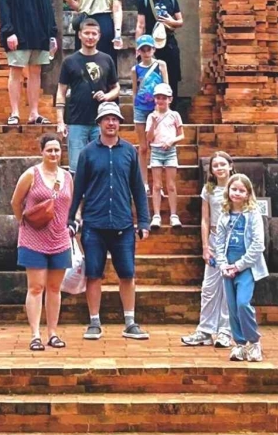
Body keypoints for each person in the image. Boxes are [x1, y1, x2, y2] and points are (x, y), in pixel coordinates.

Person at [66, 100, 151, 341]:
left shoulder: (129, 152)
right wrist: (70, 219)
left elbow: (138, 189)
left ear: (120, 123)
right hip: (94, 223)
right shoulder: (88, 153)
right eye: (107, 119)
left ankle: (130, 322)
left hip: (123, 224)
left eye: (115, 119)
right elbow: (78, 189)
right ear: (99, 123)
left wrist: (143, 221)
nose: (111, 123)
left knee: (127, 273)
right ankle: (94, 321)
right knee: (93, 274)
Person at [12, 133, 73, 351]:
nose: (53, 154)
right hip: (33, 238)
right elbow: (16, 202)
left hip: (60, 238)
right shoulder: (31, 174)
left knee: (55, 288)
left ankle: (53, 333)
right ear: (42, 152)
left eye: (57, 150)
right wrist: (23, 222)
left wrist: (70, 224)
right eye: (49, 150)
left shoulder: (67, 177)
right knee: (36, 287)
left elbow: (69, 205)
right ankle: (35, 334)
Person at [0, 0, 60, 126]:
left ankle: (34, 113)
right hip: (17, 33)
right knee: (16, 71)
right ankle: (15, 113)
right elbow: (3, 7)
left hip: (39, 32)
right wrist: (8, 32)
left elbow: (47, 6)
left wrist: (52, 34)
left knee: (36, 71)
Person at [181, 150, 235, 348]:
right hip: (214, 240)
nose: (219, 168)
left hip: (233, 241)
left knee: (228, 288)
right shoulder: (209, 189)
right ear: (211, 170)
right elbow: (205, 219)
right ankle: (204, 330)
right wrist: (205, 246)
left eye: (223, 164)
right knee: (209, 288)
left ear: (230, 166)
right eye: (215, 165)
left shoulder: (237, 186)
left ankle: (225, 331)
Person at [56, 17, 119, 167]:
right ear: (79, 35)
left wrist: (106, 96)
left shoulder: (107, 59)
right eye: (87, 33)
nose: (90, 37)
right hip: (76, 121)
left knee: (101, 166)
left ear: (99, 36)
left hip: (101, 121)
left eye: (94, 34)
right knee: (77, 166)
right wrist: (60, 121)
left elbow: (116, 88)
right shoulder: (69, 61)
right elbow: (61, 91)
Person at [220, 172, 267, 362]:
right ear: (228, 190)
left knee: (242, 304)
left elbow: (258, 244)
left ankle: (254, 342)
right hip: (227, 268)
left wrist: (238, 266)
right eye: (234, 189)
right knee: (232, 308)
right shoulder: (224, 214)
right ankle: (239, 344)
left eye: (241, 190)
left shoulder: (253, 214)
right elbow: (219, 242)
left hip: (246, 267)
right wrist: (223, 264)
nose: (237, 193)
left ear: (248, 193)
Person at [136, 0, 185, 100]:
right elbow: (140, 25)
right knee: (151, 76)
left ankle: (170, 105)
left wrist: (171, 21)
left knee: (172, 76)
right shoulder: (144, 0)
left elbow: (180, 21)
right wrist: (138, 46)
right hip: (150, 45)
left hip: (169, 43)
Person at [144, 83, 183, 228]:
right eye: (158, 98)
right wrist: (153, 123)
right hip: (156, 151)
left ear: (169, 99)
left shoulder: (175, 115)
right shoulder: (151, 116)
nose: (160, 100)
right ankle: (156, 215)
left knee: (171, 185)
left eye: (163, 98)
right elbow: (149, 138)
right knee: (156, 185)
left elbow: (181, 135)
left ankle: (174, 215)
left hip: (170, 151)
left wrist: (172, 141)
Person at [131, 33, 167, 176]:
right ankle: (143, 180)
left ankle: (157, 179)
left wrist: (165, 109)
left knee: (157, 145)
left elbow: (166, 87)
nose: (146, 53)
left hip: (156, 108)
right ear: (138, 51)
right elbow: (134, 91)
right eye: (143, 50)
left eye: (148, 49)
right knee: (143, 146)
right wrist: (134, 108)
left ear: (153, 50)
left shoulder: (160, 65)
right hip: (140, 107)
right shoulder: (135, 69)